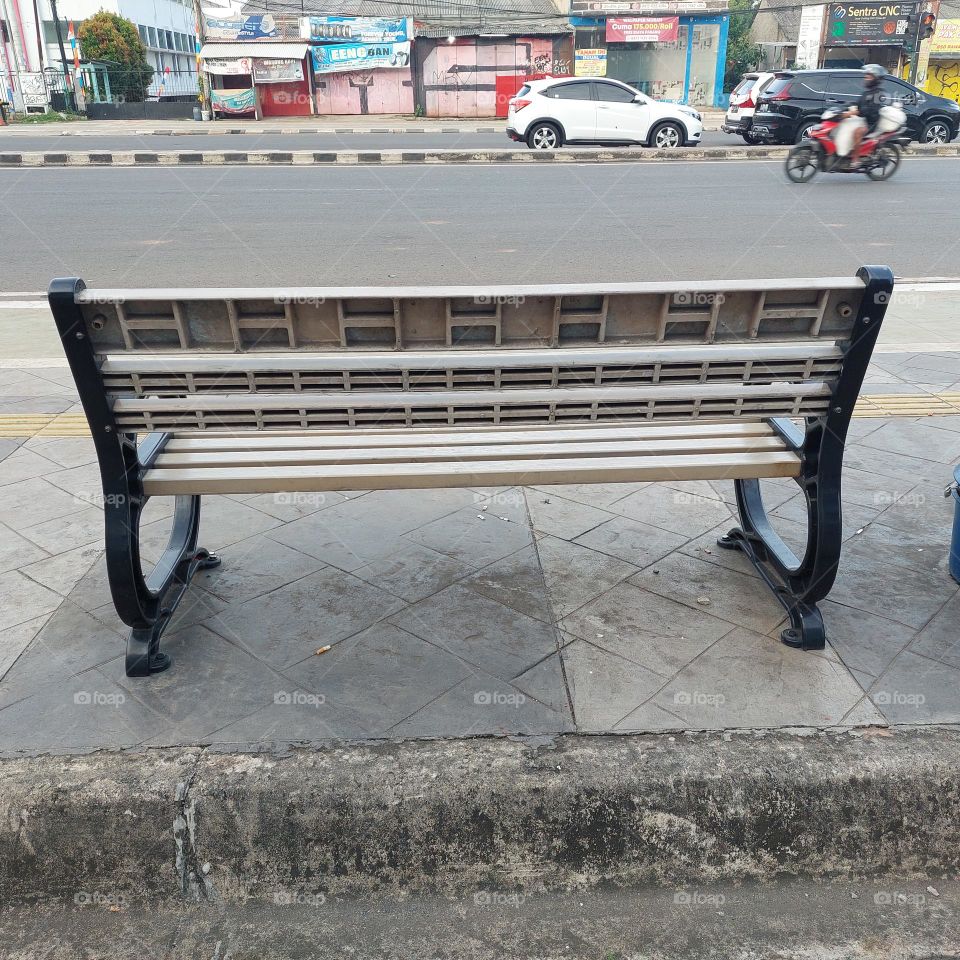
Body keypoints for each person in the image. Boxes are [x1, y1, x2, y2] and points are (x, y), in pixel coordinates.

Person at [843, 64, 886, 166]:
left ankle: (855, 160)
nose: (865, 78)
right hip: (863, 120)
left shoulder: (878, 94)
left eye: (869, 76)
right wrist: (844, 108)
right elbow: (857, 104)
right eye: (866, 75)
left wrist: (854, 112)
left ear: (876, 79)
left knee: (857, 132)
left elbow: (870, 110)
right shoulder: (867, 93)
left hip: (871, 123)